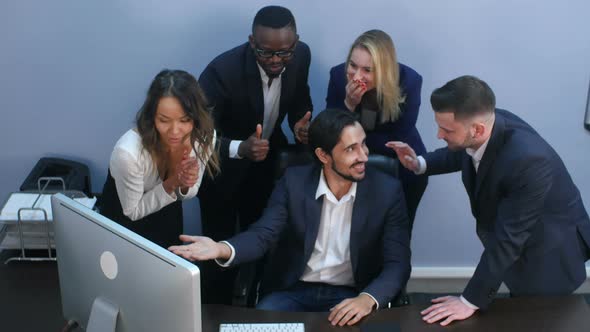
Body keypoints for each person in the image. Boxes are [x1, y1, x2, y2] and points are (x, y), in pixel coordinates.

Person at [170, 109, 411, 326]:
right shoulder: (294, 182)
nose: (364, 156)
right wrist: (221, 248)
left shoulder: (387, 191)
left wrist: (367, 299)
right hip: (293, 291)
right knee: (260, 326)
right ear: (324, 156)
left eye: (363, 144)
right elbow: (263, 235)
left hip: (353, 292)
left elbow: (397, 264)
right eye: (351, 149)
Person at [387, 75, 590, 326]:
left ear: (478, 129)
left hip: (550, 251)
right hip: (521, 240)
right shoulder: (486, 125)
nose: (439, 134)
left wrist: (468, 301)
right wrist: (419, 163)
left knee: (539, 319)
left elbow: (508, 239)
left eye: (447, 130)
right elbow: (464, 151)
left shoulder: (529, 161)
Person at [197, 5, 313, 304]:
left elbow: (299, 96)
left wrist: (301, 123)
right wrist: (239, 147)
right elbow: (197, 134)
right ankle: (217, 311)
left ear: (295, 43)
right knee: (219, 249)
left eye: (284, 53)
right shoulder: (221, 72)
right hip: (221, 172)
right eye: (266, 53)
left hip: (266, 167)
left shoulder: (301, 57)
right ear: (252, 42)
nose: (276, 61)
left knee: (263, 241)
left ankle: (255, 306)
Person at [100, 69, 219, 248]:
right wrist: (173, 182)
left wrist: (185, 182)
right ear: (151, 117)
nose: (175, 131)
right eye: (164, 120)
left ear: (195, 117)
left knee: (167, 265)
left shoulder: (204, 136)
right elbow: (133, 212)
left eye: (185, 120)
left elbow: (188, 193)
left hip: (166, 206)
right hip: (124, 213)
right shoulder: (128, 154)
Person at [326, 29, 427, 229]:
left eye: (367, 70)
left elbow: (400, 135)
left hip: (399, 153)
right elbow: (330, 132)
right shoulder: (338, 76)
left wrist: (355, 144)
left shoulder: (410, 81)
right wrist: (349, 105)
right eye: (353, 66)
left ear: (384, 70)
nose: (357, 76)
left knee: (398, 222)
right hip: (354, 154)